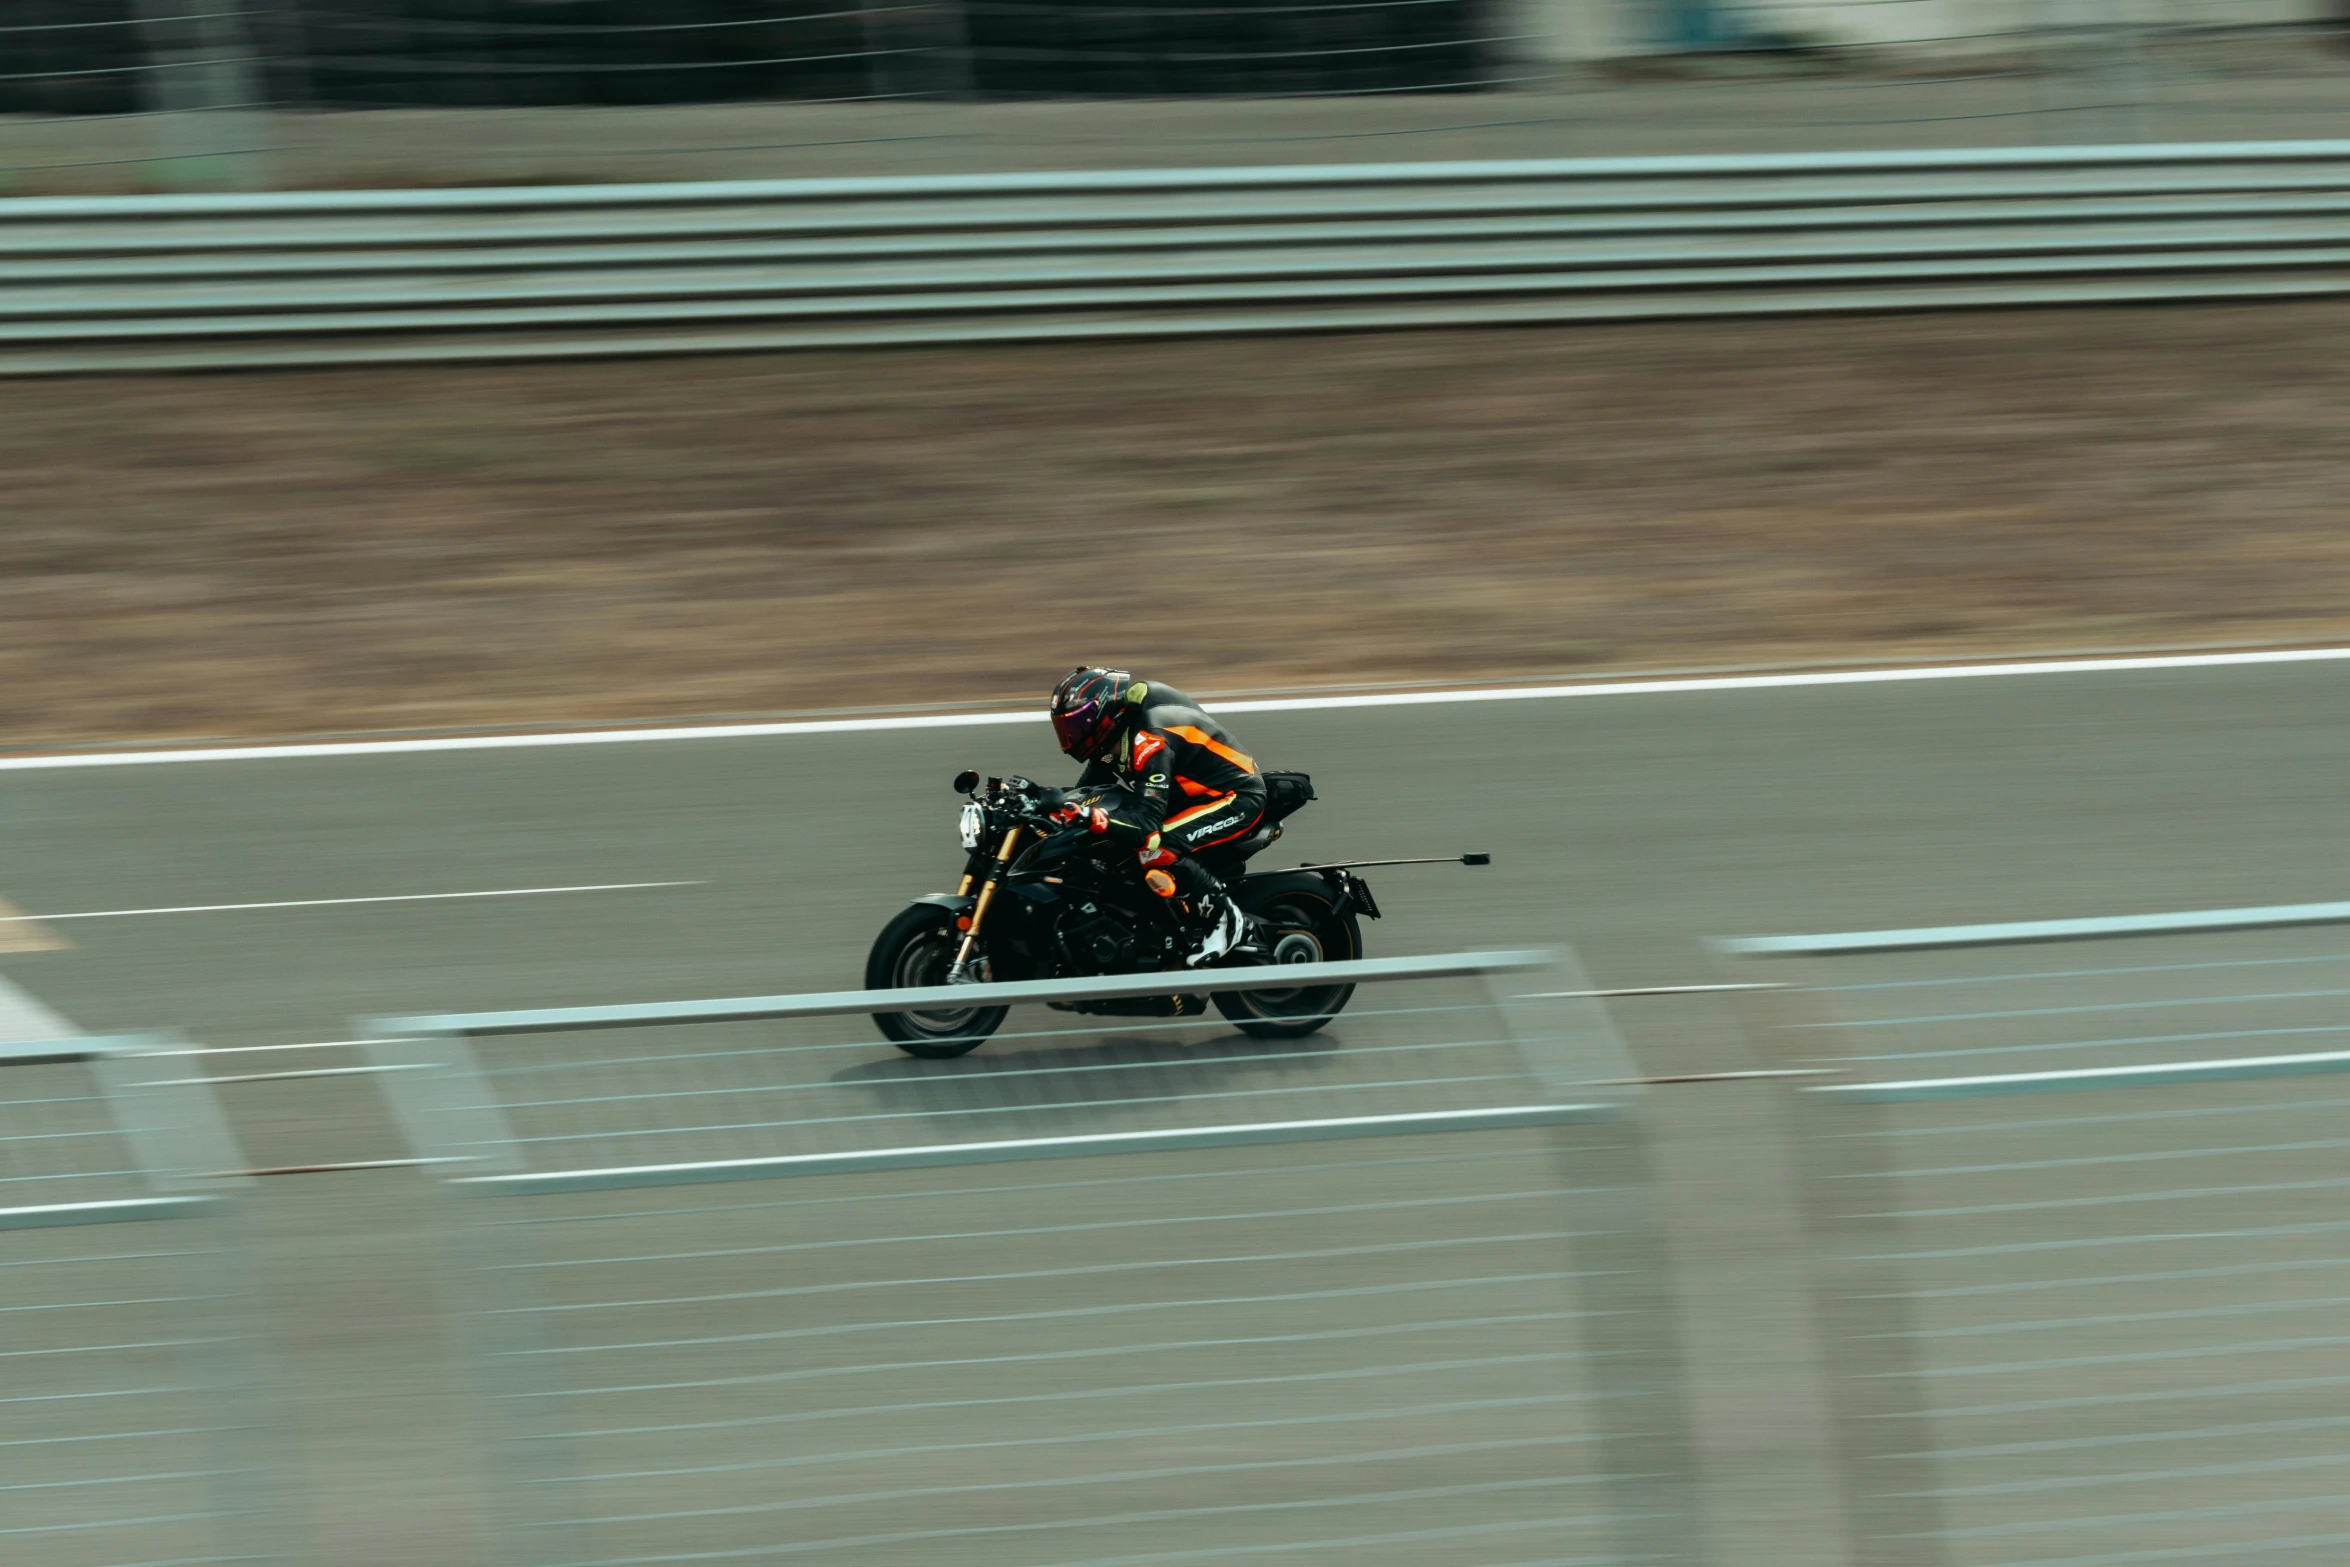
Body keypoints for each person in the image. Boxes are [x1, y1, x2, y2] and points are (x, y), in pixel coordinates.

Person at [1046, 666, 1265, 966]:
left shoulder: (1150, 737)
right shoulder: (1115, 736)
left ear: (1101, 714)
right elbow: (1087, 791)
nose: (1071, 735)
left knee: (1154, 849)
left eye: (1077, 724)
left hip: (1233, 798)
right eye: (1065, 727)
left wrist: (1093, 818)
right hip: (1188, 798)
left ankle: (1228, 920)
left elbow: (1147, 829)